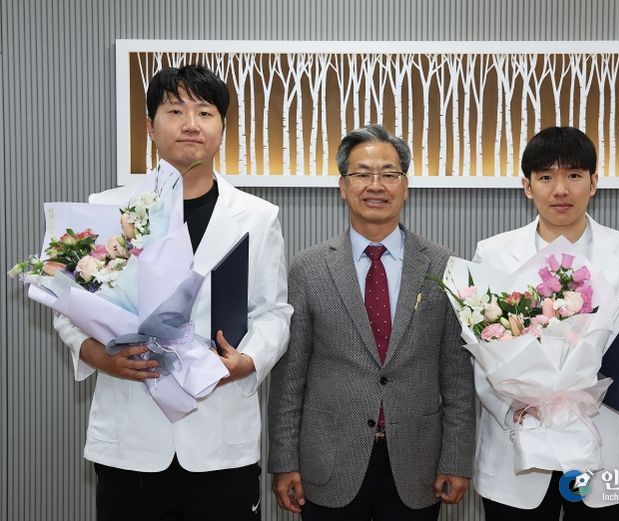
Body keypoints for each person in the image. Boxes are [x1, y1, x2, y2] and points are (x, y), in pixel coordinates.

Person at [53, 64, 292, 521]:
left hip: (220, 438)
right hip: (132, 437)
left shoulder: (258, 216)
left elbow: (274, 312)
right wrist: (96, 355)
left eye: (204, 112)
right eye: (175, 111)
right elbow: (67, 303)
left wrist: (247, 361)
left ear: (222, 127)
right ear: (150, 126)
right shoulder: (108, 208)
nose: (190, 124)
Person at [472, 126, 619, 520]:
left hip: (604, 446)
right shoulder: (493, 253)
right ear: (527, 186)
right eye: (546, 177)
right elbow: (481, 350)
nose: (560, 189)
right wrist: (513, 411)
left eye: (574, 175)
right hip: (518, 451)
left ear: (594, 183)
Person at [268, 124, 475, 521]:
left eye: (389, 174)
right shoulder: (309, 268)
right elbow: (290, 378)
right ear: (343, 186)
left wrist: (456, 459)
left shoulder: (443, 265)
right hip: (328, 460)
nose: (375, 185)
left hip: (417, 462)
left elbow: (457, 376)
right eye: (362, 174)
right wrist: (284, 461)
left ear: (405, 185)